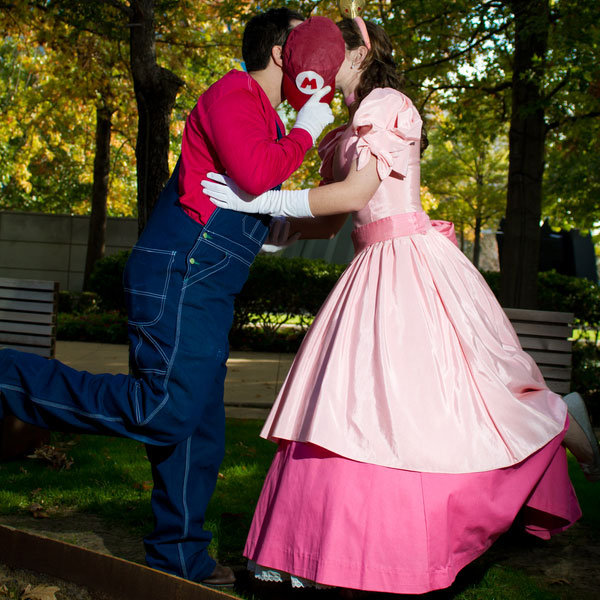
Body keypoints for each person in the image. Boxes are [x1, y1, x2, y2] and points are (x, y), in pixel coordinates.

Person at [201, 15, 600, 595]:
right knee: (349, 408)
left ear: (358, 52)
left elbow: (361, 192)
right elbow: (333, 217)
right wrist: (258, 224)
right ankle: (307, 552)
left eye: (332, 46)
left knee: (440, 405)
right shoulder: (341, 135)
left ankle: (559, 419)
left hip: (410, 263)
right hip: (370, 268)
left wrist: (264, 194)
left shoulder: (387, 104)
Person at [0, 8, 339, 587]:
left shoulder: (267, 122)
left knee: (199, 427)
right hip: (179, 272)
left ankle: (180, 559)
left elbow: (263, 215)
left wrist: (332, 201)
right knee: (166, 410)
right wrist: (308, 129)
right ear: (283, 52)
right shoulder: (233, 95)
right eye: (306, 48)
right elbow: (257, 176)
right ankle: (8, 379)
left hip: (209, 282)